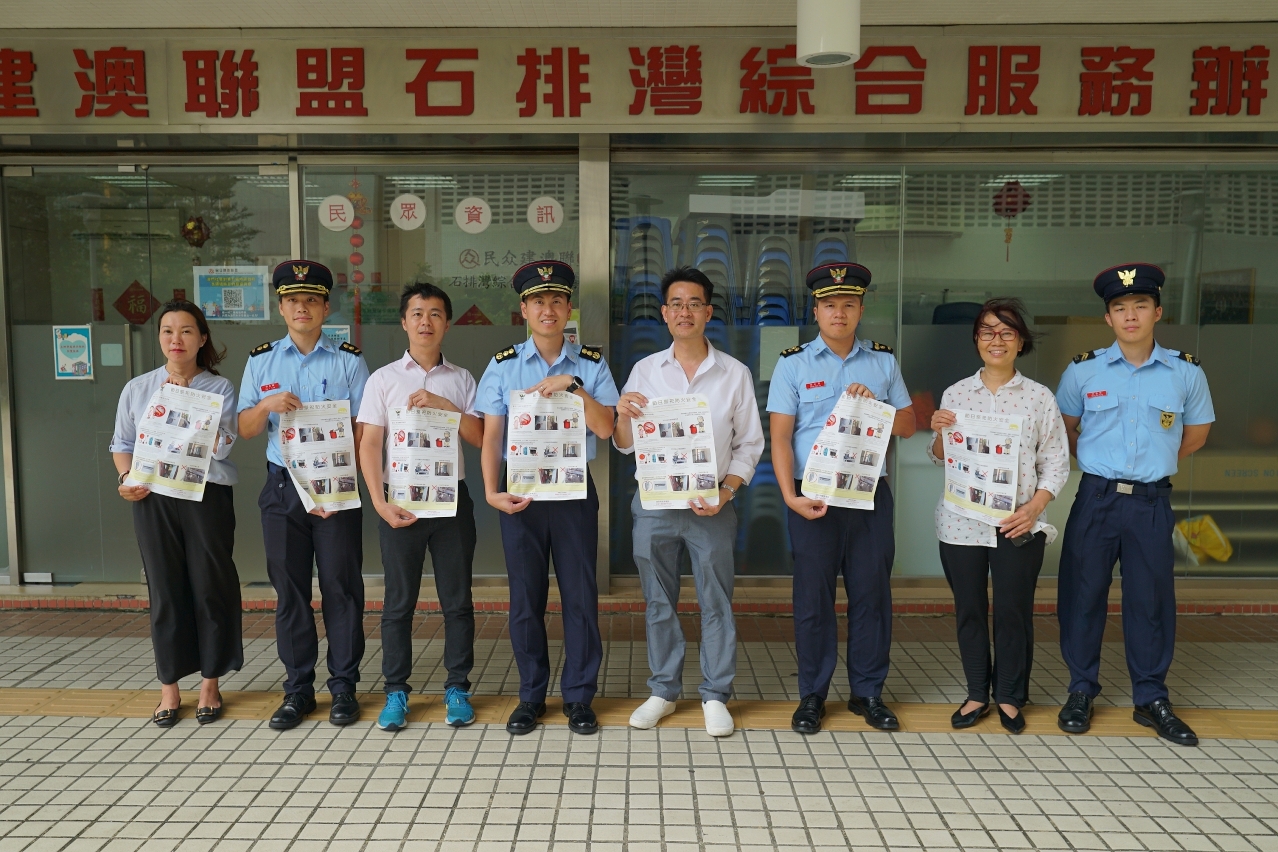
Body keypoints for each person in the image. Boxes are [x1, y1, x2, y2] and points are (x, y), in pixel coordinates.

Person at [1054, 263, 1213, 746]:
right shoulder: (1083, 370)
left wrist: (1152, 465)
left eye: (1140, 306)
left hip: (1150, 502)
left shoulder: (1186, 372)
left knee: (1150, 601)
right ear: (1108, 318)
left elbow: (1196, 435)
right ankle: (1081, 689)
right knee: (1083, 597)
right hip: (1096, 498)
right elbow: (1063, 431)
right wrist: (1102, 464)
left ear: (1157, 312)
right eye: (1120, 308)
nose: (1130, 316)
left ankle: (1151, 697)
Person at [614, 266, 764, 738]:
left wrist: (726, 492)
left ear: (708, 312)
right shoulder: (645, 371)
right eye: (676, 304)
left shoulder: (734, 374)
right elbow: (624, 444)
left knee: (716, 601)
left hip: (712, 504)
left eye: (694, 304)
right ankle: (663, 690)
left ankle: (716, 694)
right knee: (658, 601)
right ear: (664, 313)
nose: (685, 312)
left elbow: (750, 445)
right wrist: (622, 415)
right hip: (655, 504)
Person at [766, 263, 915, 735]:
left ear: (861, 309)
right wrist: (789, 496)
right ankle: (812, 695)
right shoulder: (793, 364)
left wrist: (877, 405)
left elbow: (908, 426)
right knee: (813, 600)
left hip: (869, 496)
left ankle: (867, 692)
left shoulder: (883, 362)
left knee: (871, 596)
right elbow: (780, 438)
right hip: (813, 498)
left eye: (848, 304)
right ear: (816, 311)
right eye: (829, 305)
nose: (839, 313)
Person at [475, 260, 619, 736]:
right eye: (538, 301)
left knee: (580, 596)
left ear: (569, 307)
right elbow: (491, 436)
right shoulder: (503, 365)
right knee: (525, 599)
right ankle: (531, 695)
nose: (548, 309)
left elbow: (607, 427)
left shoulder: (591, 365)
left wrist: (573, 387)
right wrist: (491, 490)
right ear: (524, 310)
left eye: (557, 300)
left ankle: (579, 696)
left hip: (574, 492)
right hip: (521, 494)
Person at [238, 260, 371, 730]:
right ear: (281, 307)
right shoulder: (261, 361)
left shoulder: (348, 360)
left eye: (311, 300)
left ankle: (343, 687)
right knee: (290, 591)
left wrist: (338, 480)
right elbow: (245, 428)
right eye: (293, 300)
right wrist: (266, 405)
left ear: (325, 307)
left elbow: (363, 429)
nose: (302, 307)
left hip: (335, 487)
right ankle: (298, 689)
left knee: (341, 587)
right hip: (282, 488)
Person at [927, 298, 1069, 734]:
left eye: (1007, 332)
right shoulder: (956, 393)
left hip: (1018, 524)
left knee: (1013, 611)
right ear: (976, 340)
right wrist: (938, 432)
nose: (997, 340)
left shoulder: (1039, 397)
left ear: (1020, 342)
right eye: (988, 331)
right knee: (969, 609)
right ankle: (976, 692)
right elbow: (941, 458)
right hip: (961, 522)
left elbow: (1056, 462)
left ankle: (1008, 695)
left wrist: (1035, 508)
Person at [356, 282, 483, 732]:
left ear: (447, 324)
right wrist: (379, 502)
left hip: (451, 504)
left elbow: (480, 437)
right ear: (404, 322)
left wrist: (446, 406)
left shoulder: (462, 379)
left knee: (457, 601)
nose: (425, 321)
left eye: (435, 314)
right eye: (417, 313)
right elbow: (369, 444)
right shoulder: (383, 379)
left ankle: (458, 688)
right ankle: (396, 691)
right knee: (398, 603)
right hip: (400, 503)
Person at [110, 300, 242, 727]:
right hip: (153, 498)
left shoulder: (219, 388)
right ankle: (169, 687)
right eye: (167, 331)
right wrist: (126, 477)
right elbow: (122, 444)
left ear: (202, 338)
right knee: (165, 590)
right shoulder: (138, 388)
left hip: (206, 497)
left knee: (209, 587)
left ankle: (210, 683)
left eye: (186, 331)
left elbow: (222, 448)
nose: (176, 339)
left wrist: (184, 399)